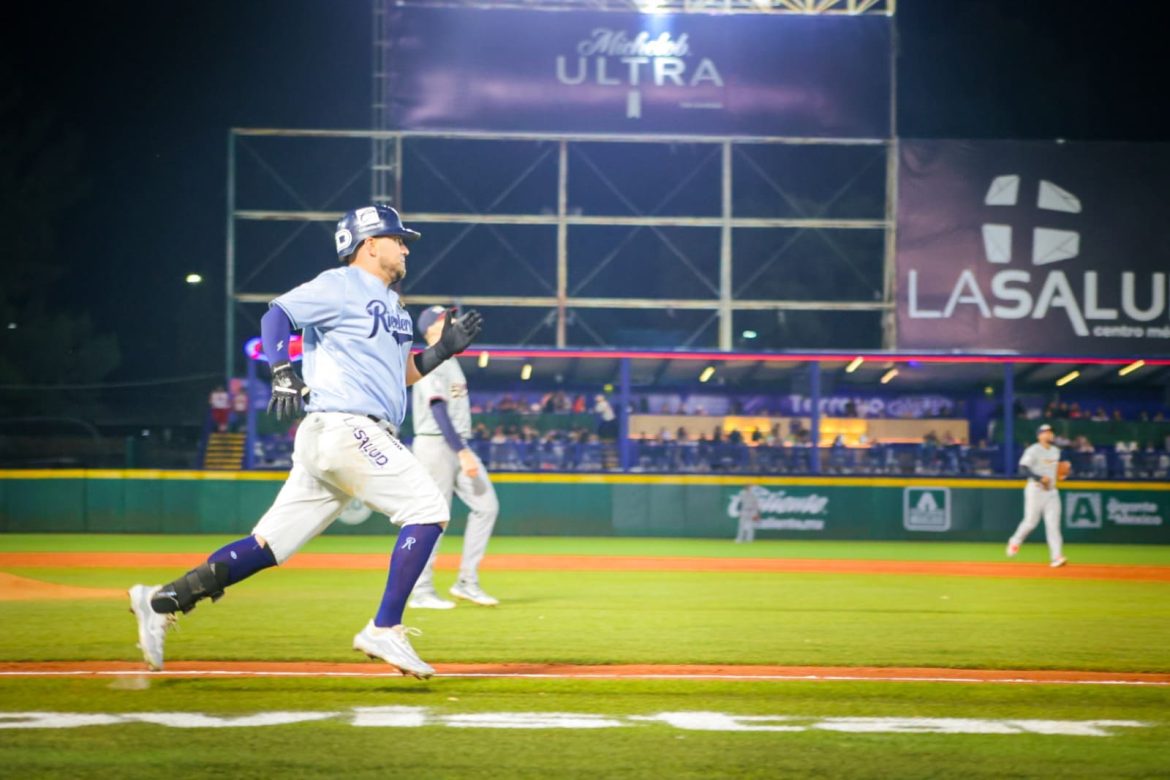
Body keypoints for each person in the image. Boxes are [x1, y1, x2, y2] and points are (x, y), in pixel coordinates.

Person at [127, 204, 483, 679]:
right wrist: (280, 370)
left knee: (269, 545)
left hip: (341, 434)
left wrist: (441, 351)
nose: (405, 248)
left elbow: (401, 374)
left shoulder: (395, 307)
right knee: (428, 508)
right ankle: (385, 628)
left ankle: (163, 600)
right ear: (369, 244)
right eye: (397, 239)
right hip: (346, 425)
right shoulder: (340, 284)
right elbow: (277, 315)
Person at [407, 304, 501, 610]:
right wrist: (462, 452)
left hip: (456, 442)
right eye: (445, 318)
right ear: (431, 329)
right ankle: (421, 590)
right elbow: (437, 409)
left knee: (487, 507)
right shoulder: (429, 359)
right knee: (434, 517)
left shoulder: (452, 359)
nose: (454, 320)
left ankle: (466, 582)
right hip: (435, 444)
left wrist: (462, 449)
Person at [1006, 423, 1070, 568]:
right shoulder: (1033, 450)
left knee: (1053, 525)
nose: (1049, 434)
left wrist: (1062, 473)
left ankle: (1056, 557)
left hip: (1052, 492)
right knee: (1030, 522)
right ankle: (1015, 541)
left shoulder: (1056, 451)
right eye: (1046, 432)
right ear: (1039, 436)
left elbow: (1057, 471)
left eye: (1051, 431)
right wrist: (1039, 478)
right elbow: (1022, 469)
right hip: (1035, 490)